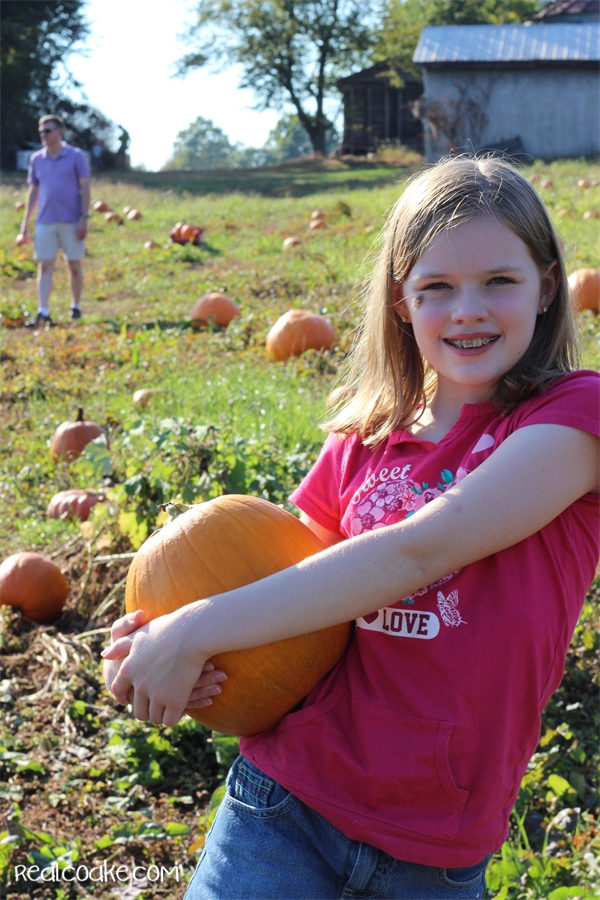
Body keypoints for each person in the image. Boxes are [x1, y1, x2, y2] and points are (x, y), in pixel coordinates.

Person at [102, 156, 599, 899]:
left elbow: (421, 546)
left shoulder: (574, 417)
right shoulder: (364, 436)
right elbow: (287, 589)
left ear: (547, 285)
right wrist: (162, 648)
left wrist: (195, 628)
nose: (467, 309)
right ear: (401, 301)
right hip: (284, 805)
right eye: (436, 288)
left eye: (499, 281)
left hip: (436, 846)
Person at [19, 115, 90, 328]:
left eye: (47, 130)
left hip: (71, 220)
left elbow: (85, 188)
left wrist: (83, 218)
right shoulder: (37, 159)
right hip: (45, 221)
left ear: (59, 132)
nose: (44, 135)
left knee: (74, 265)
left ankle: (75, 306)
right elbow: (33, 191)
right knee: (45, 265)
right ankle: (44, 311)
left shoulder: (76, 156)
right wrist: (25, 224)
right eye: (41, 131)